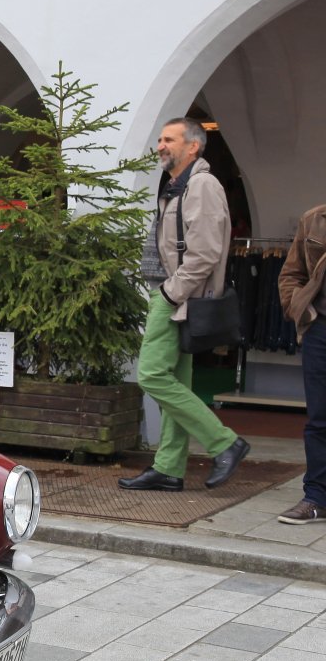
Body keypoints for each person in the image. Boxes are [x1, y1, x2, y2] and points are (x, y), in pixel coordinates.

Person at [119, 118, 248, 492]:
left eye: (169, 139)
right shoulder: (178, 186)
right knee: (175, 381)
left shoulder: (202, 185)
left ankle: (225, 443)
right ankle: (169, 468)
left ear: (193, 146)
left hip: (176, 298)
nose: (160, 145)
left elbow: (204, 253)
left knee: (152, 376)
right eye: (160, 139)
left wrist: (169, 294)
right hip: (176, 297)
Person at [275, 201, 326, 521]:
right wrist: (300, 310)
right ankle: (316, 497)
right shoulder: (315, 219)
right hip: (321, 329)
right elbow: (291, 274)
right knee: (319, 419)